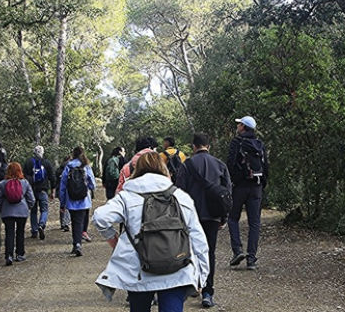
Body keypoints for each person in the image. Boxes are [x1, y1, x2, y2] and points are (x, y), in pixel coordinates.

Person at [93, 149, 210, 312]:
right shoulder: (181, 197)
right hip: (177, 268)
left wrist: (113, 238)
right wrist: (201, 277)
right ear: (164, 169)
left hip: (138, 270)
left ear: (137, 171)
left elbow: (100, 217)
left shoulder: (127, 196)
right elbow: (199, 240)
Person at [175, 133, 231, 308]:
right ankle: (208, 292)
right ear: (209, 146)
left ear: (193, 147)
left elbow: (179, 191)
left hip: (192, 216)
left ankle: (192, 285)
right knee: (209, 252)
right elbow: (227, 192)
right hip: (213, 215)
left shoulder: (187, 165)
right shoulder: (220, 165)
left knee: (189, 251)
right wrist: (224, 217)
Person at [226, 115, 268, 270]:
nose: (237, 127)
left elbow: (230, 163)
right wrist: (262, 184)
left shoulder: (237, 142)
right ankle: (251, 260)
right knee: (255, 223)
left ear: (243, 127)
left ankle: (237, 250)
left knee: (232, 218)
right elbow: (266, 166)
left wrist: (232, 182)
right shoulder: (259, 144)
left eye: (239, 125)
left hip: (240, 187)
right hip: (256, 187)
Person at [0, 162, 35, 266]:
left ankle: (9, 255)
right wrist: (28, 207)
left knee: (9, 233)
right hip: (22, 211)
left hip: (7, 212)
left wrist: (1, 209)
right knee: (20, 232)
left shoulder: (2, 183)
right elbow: (31, 199)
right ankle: (20, 254)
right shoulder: (24, 183)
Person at [58, 146, 96, 256]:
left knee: (75, 222)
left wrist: (62, 202)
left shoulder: (68, 166)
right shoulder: (86, 166)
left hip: (71, 199)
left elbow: (63, 185)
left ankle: (76, 244)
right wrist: (88, 188)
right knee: (79, 222)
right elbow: (92, 183)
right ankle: (78, 244)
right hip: (83, 199)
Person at [22, 145, 56, 240]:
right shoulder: (46, 163)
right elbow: (52, 177)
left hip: (31, 191)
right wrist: (53, 190)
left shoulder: (28, 162)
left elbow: (23, 176)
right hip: (43, 190)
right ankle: (41, 224)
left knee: (33, 211)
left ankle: (34, 230)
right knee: (44, 210)